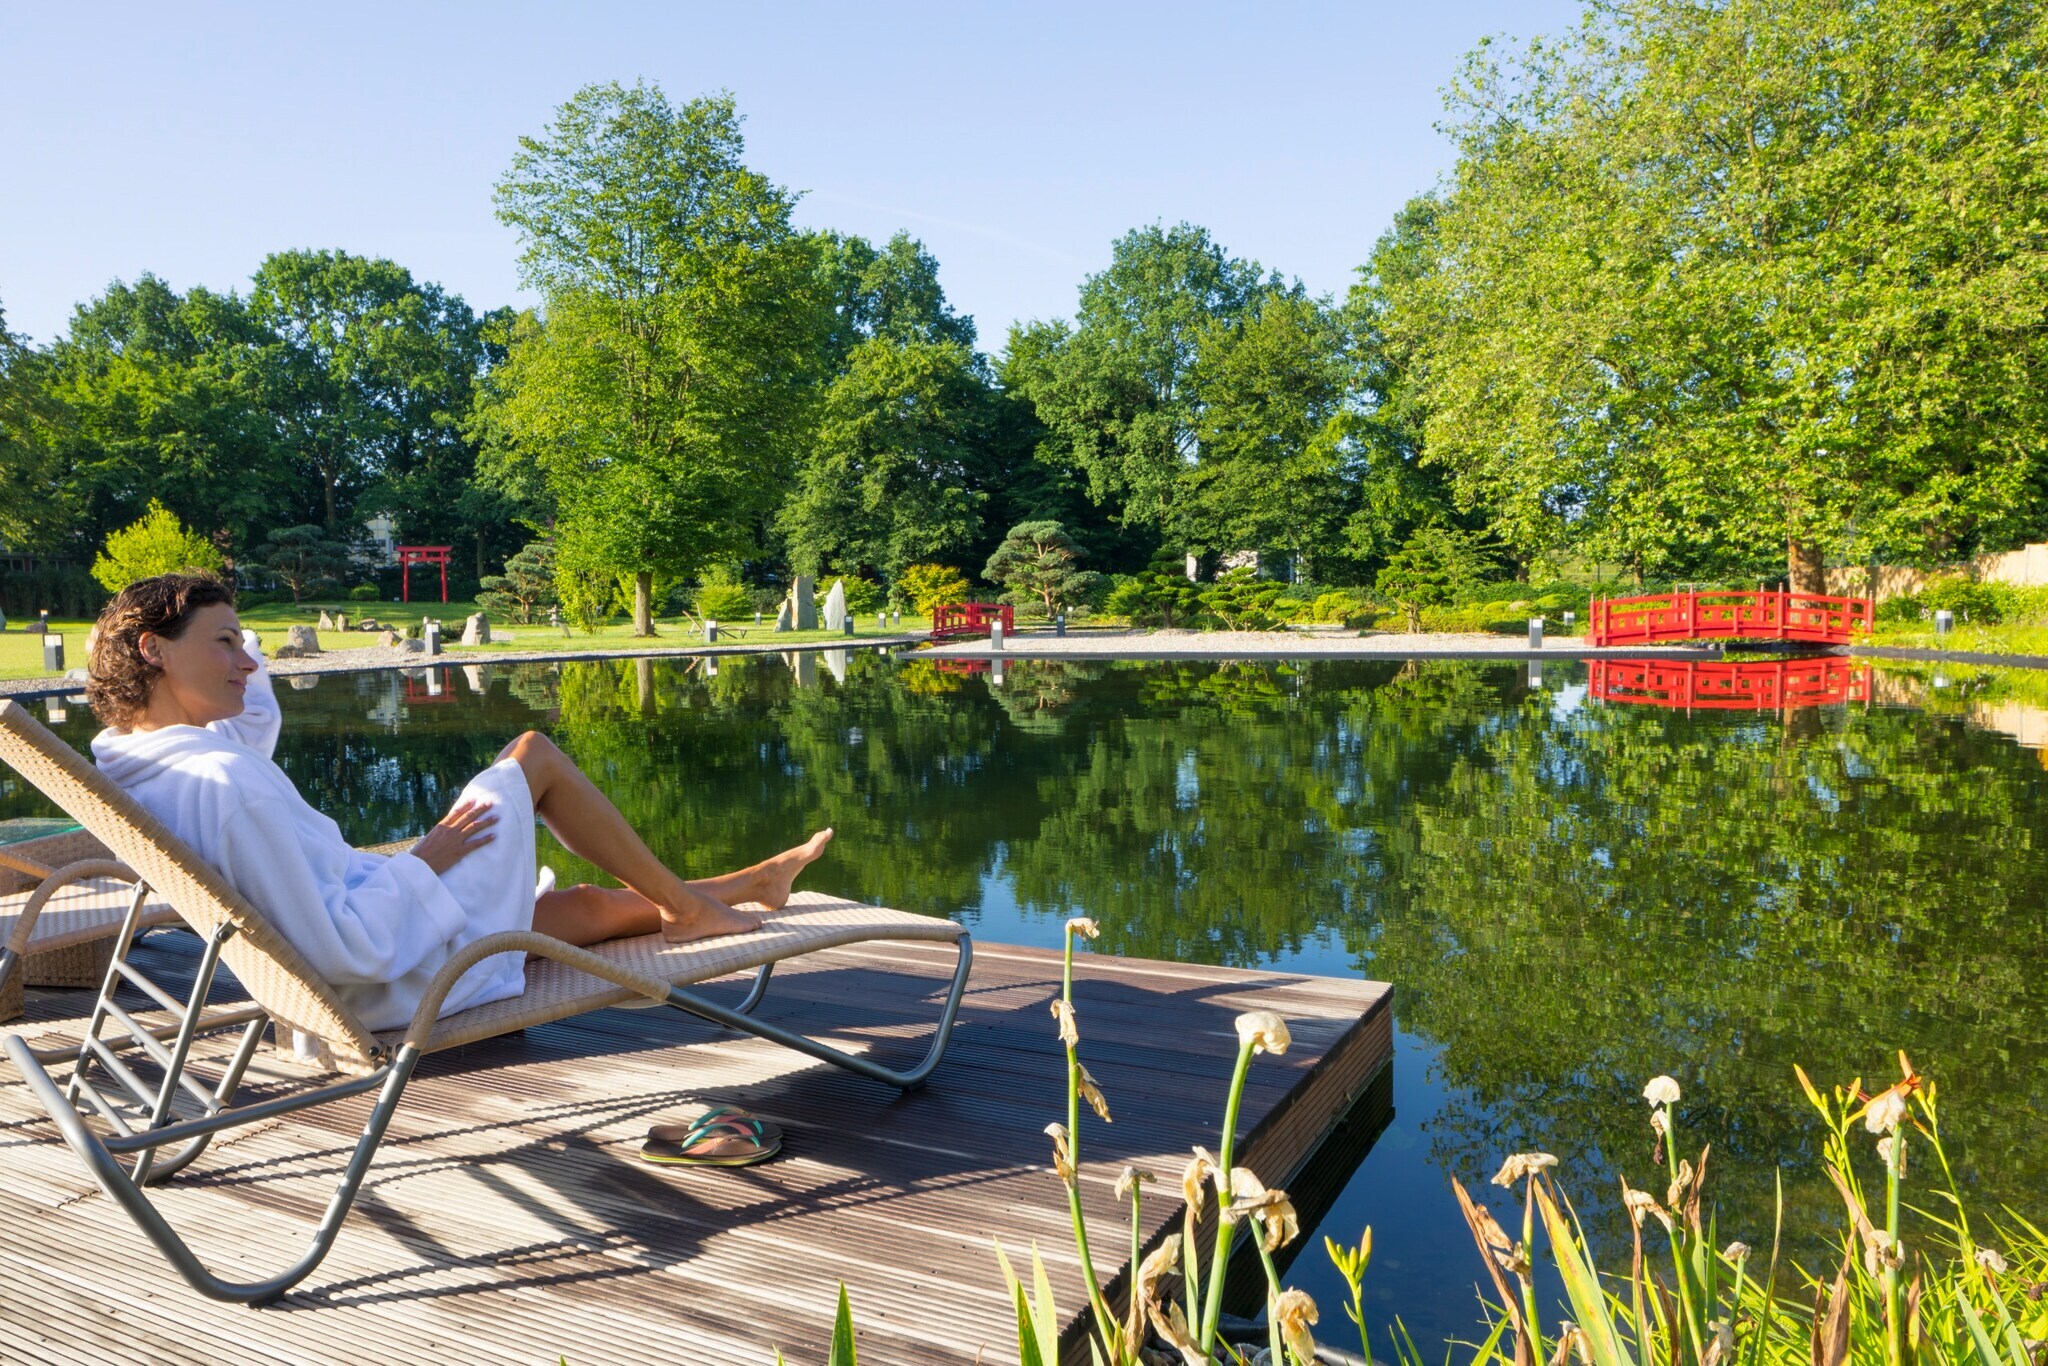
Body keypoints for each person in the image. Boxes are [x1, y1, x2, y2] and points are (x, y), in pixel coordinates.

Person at [85, 573, 832, 1033]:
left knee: (574, 911)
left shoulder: (138, 762)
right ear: (154, 651)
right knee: (534, 755)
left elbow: (251, 724)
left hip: (381, 934)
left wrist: (216, 636)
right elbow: (342, 949)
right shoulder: (225, 786)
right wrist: (423, 862)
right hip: (387, 976)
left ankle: (747, 884)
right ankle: (691, 908)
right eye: (227, 643)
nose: (249, 662)